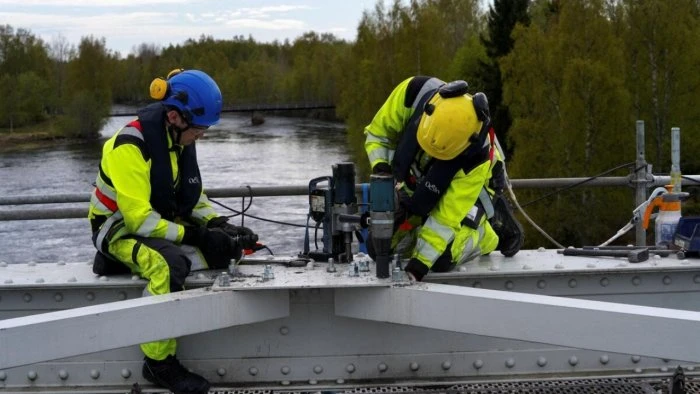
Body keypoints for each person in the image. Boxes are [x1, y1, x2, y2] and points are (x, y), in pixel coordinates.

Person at [88, 68, 258, 394]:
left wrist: (219, 226)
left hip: (155, 220)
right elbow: (138, 219)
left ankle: (129, 265)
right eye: (199, 129)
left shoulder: (177, 140)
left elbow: (191, 199)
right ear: (175, 116)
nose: (202, 136)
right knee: (169, 266)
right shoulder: (130, 146)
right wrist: (193, 236)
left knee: (223, 249)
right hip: (118, 229)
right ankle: (158, 364)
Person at [364, 76, 523, 282]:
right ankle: (419, 231)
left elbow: (445, 218)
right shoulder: (413, 93)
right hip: (417, 184)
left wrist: (419, 264)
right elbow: (378, 134)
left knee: (441, 259)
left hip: (475, 193)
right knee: (377, 247)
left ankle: (490, 233)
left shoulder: (477, 157)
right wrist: (383, 171)